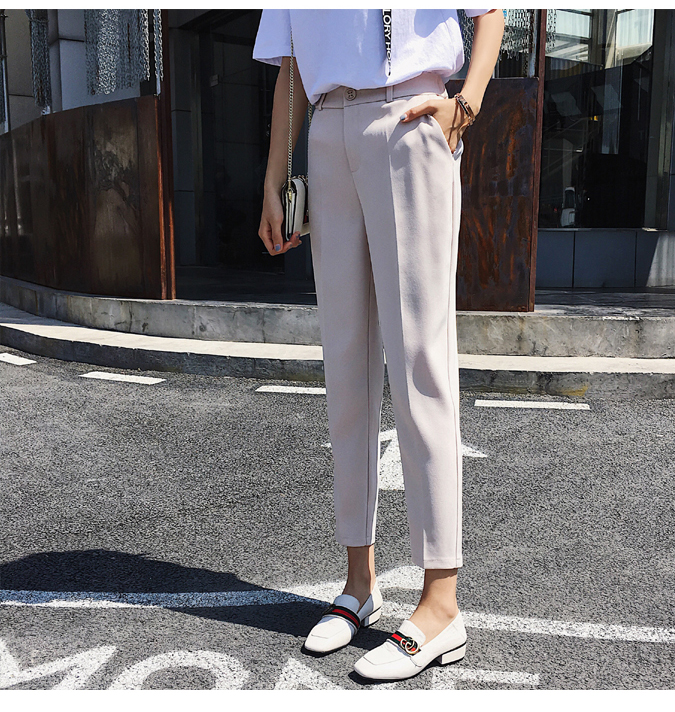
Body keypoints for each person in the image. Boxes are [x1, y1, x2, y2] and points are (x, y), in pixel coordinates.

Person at [253, 8, 504, 682]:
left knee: (420, 360)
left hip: (410, 116)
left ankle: (441, 604)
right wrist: (274, 177)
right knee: (345, 365)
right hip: (326, 127)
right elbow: (290, 66)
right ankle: (358, 583)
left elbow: (490, 13)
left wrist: (466, 104)